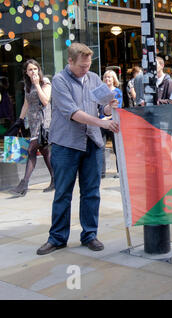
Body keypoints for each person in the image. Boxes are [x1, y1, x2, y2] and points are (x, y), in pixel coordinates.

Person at [36, 43, 120, 255]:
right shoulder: (59, 80)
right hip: (66, 144)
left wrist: (111, 107)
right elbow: (73, 113)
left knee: (91, 192)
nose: (86, 70)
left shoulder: (93, 78)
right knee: (63, 193)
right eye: (82, 66)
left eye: (89, 65)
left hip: (92, 142)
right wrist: (102, 123)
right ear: (70, 61)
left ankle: (90, 234)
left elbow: (103, 106)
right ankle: (57, 238)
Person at [9, 59, 54, 197]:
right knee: (45, 152)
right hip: (33, 122)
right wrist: (20, 120)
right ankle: (55, 179)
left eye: (35, 68)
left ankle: (24, 183)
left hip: (43, 122)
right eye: (30, 69)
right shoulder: (27, 85)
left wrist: (37, 84)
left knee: (31, 150)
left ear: (38, 69)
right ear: (26, 72)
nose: (33, 71)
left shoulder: (44, 81)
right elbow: (26, 104)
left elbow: (45, 100)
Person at [101, 70, 122, 179]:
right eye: (105, 77)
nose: (107, 79)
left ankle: (119, 170)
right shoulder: (101, 92)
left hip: (113, 122)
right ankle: (101, 172)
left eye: (109, 77)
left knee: (116, 147)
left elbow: (117, 108)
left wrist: (107, 117)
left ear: (114, 79)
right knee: (101, 147)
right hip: (101, 123)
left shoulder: (117, 91)